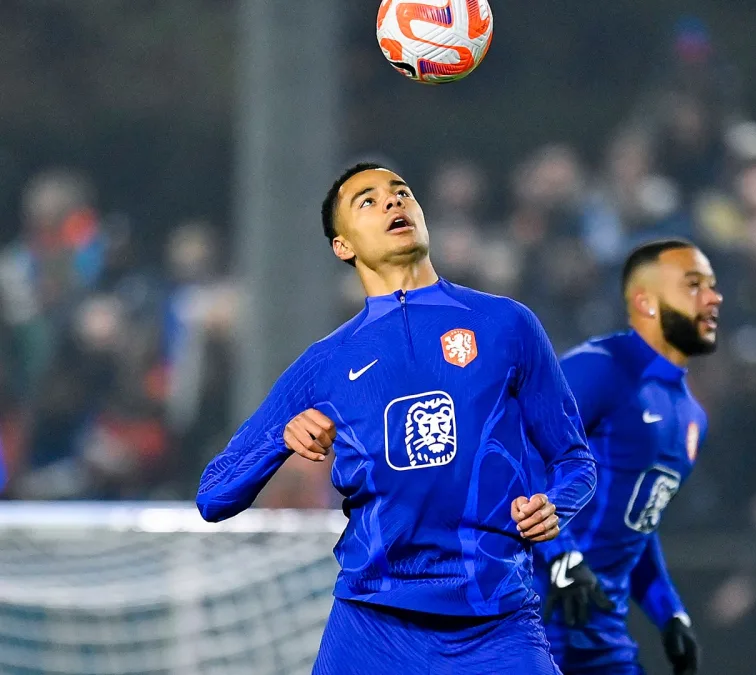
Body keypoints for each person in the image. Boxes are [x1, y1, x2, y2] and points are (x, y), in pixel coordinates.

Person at [196, 162, 598, 674]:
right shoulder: (327, 362)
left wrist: (555, 506)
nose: (392, 202)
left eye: (402, 192)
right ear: (343, 246)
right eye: (367, 200)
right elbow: (214, 495)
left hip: (495, 620)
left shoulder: (507, 325)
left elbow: (574, 459)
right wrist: (282, 434)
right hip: (372, 623)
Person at [536, 238, 722, 675]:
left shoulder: (692, 416)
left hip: (601, 632)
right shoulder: (599, 367)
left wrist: (670, 613)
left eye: (712, 286)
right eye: (693, 285)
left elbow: (636, 525)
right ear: (647, 302)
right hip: (528, 617)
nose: (713, 298)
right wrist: (560, 553)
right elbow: (519, 455)